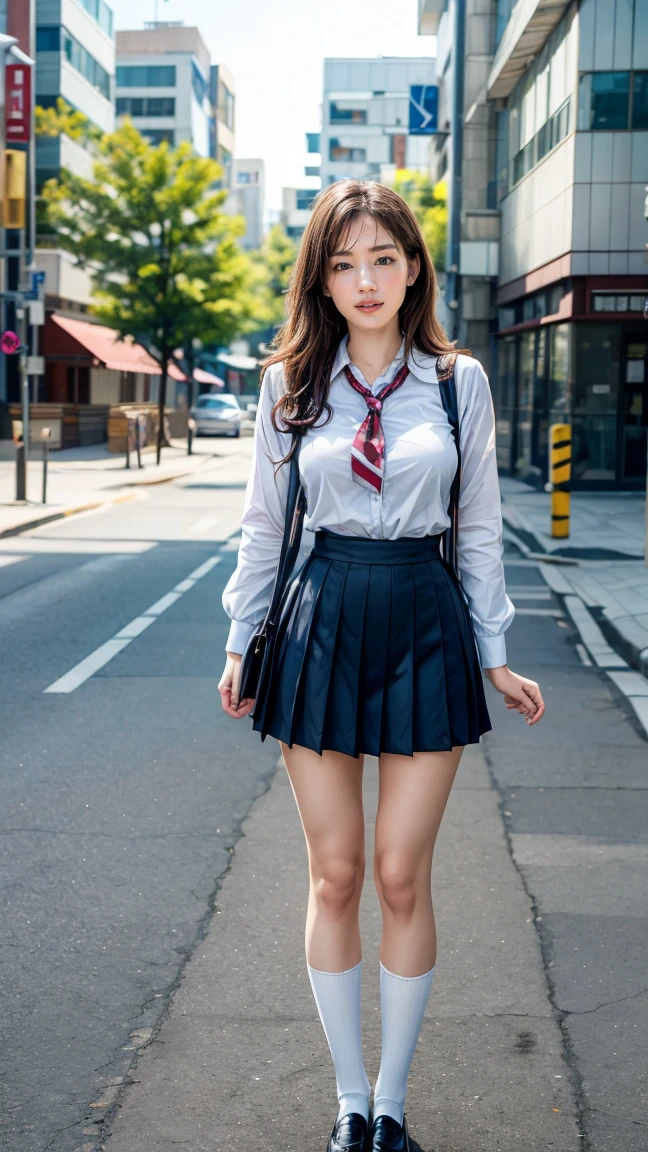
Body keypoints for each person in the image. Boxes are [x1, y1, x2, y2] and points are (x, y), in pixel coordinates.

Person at [218, 180, 545, 1152]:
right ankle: (350, 1103)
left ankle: (394, 1105)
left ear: (414, 269)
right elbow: (264, 528)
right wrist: (240, 641)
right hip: (320, 615)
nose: (365, 280)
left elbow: (479, 529)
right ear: (320, 275)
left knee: (403, 875)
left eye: (384, 259)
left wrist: (496, 652)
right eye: (344, 261)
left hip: (424, 619)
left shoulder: (459, 383)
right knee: (338, 873)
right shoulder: (290, 383)